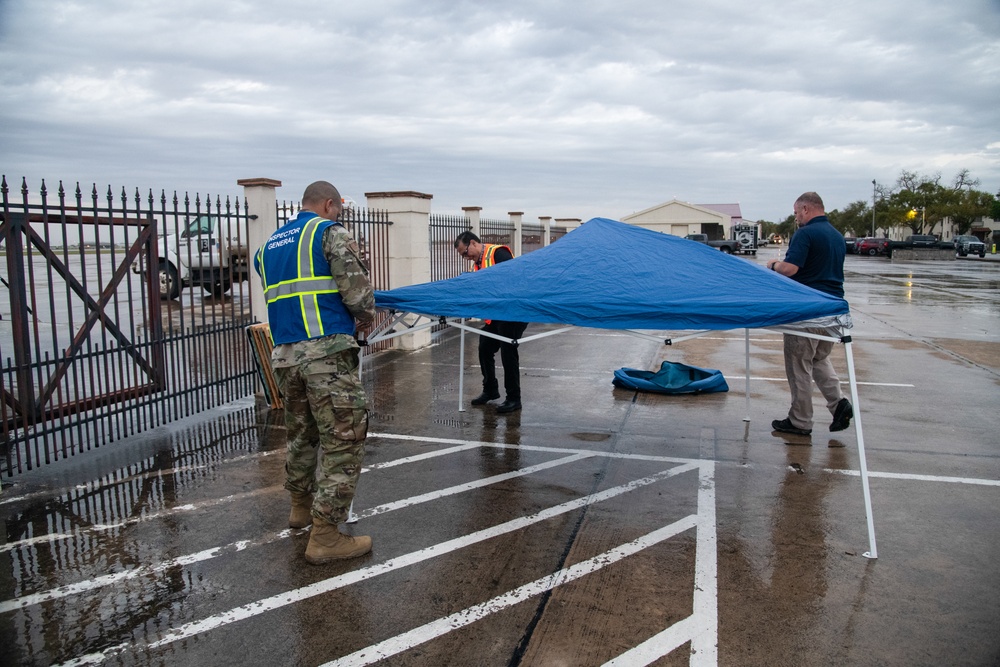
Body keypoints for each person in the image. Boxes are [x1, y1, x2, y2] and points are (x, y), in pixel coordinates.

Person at [254, 180, 376, 563]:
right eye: (338, 209)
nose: (339, 215)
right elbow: (358, 294)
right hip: (325, 353)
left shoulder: (267, 247)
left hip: (285, 356)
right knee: (344, 438)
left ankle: (300, 508)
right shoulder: (329, 233)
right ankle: (325, 536)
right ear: (328, 204)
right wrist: (365, 318)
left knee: (301, 434)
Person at [766, 192, 853, 437]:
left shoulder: (805, 234)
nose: (796, 218)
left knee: (798, 364)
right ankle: (839, 404)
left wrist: (773, 265)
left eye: (796, 213)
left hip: (807, 310)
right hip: (833, 309)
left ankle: (800, 421)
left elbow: (791, 269)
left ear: (805, 209)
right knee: (818, 359)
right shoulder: (836, 236)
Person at [454, 231, 528, 413]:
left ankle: (514, 398)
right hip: (498, 313)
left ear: (473, 243)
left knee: (508, 351)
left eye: (465, 253)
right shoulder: (477, 265)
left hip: (514, 311)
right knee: (485, 346)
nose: (466, 257)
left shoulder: (498, 253)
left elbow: (511, 281)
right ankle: (490, 390)